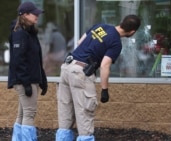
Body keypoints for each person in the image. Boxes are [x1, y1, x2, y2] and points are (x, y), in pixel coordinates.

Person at [55, 14, 141, 141]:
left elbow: (80, 42)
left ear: (121, 22)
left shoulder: (100, 26)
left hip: (67, 67)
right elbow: (104, 65)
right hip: (81, 72)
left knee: (65, 111)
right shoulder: (116, 43)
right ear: (132, 32)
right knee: (85, 112)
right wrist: (104, 90)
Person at [7, 2, 48, 141]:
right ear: (25, 15)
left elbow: (35, 58)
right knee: (29, 113)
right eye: (34, 13)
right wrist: (26, 84)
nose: (37, 16)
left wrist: (42, 78)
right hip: (25, 80)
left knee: (23, 114)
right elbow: (19, 60)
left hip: (31, 78)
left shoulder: (30, 32)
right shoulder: (19, 33)